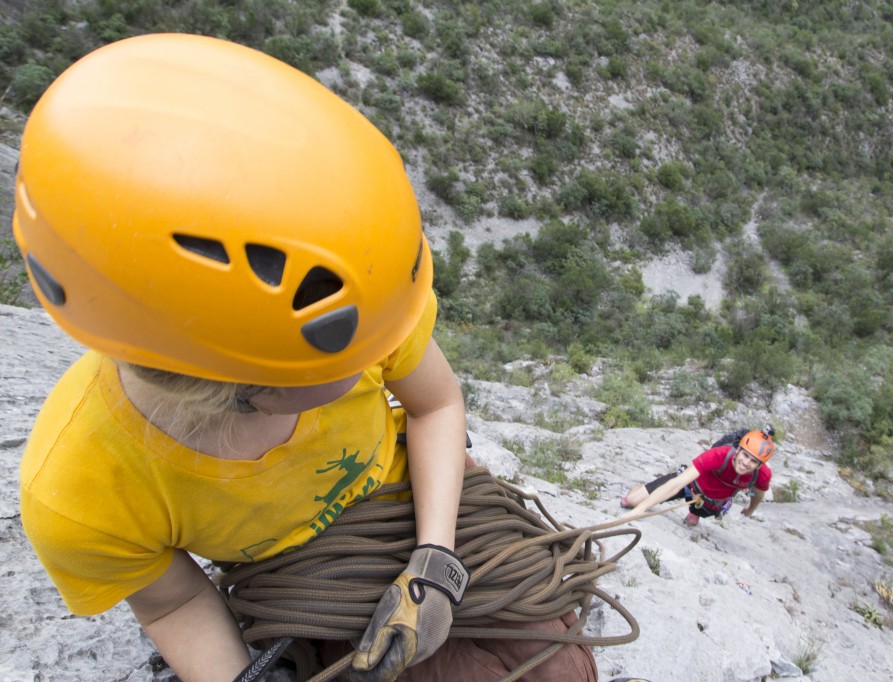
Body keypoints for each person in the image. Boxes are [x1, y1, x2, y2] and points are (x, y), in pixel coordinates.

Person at [14, 34, 595, 682]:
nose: (382, 354)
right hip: (299, 579)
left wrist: (435, 560)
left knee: (558, 667)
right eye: (343, 366)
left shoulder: (354, 300)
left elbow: (437, 405)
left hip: (416, 493)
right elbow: (173, 603)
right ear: (226, 386)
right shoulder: (80, 495)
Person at [620, 427, 776, 526]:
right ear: (738, 450)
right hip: (689, 485)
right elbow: (677, 483)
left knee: (695, 518)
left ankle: (695, 512)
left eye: (753, 461)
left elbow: (759, 494)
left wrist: (750, 510)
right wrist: (639, 510)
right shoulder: (719, 455)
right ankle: (640, 488)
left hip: (711, 504)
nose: (746, 463)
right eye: (745, 455)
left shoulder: (761, 475)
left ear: (760, 465)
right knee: (631, 501)